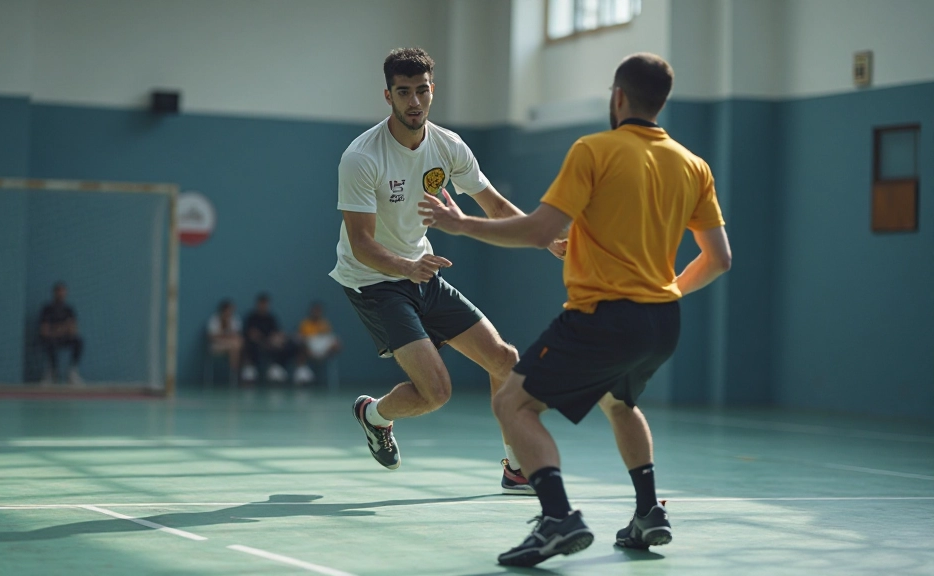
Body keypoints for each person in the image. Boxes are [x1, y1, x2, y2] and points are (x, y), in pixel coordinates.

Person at [421, 53, 732, 566]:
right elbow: (718, 259)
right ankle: (649, 511)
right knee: (620, 402)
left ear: (617, 98)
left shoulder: (595, 150)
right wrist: (667, 289)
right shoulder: (693, 164)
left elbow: (540, 231)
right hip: (664, 320)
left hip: (604, 316)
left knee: (513, 404)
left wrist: (461, 226)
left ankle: (559, 519)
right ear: (662, 101)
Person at [331, 47, 565, 493]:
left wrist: (544, 237)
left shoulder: (448, 145)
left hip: (421, 270)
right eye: (404, 92)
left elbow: (493, 204)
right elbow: (361, 244)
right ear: (388, 96)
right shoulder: (361, 157)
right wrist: (407, 266)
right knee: (436, 392)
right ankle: (374, 415)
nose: (414, 101)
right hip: (374, 280)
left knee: (505, 359)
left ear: (432, 91)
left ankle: (516, 468)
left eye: (422, 91)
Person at [243, 293, 313, 385]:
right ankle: (250, 369)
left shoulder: (271, 318)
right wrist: (264, 339)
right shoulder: (251, 318)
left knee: (291, 344)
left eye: (266, 304)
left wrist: (277, 338)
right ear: (258, 304)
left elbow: (277, 333)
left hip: (272, 344)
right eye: (262, 304)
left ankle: (278, 367)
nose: (264, 306)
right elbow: (251, 335)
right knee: (250, 346)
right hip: (257, 345)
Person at [39, 282, 84, 385]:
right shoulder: (47, 309)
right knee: (49, 343)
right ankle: (52, 372)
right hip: (51, 339)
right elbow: (44, 331)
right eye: (59, 292)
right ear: (54, 293)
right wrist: (63, 328)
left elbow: (73, 330)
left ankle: (72, 372)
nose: (61, 294)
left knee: (78, 341)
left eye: (63, 292)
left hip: (65, 338)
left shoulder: (69, 310)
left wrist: (56, 329)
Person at [207, 299, 244, 379]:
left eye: (231, 311)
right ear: (223, 311)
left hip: (231, 346)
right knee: (236, 345)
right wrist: (226, 338)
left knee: (236, 345)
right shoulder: (214, 320)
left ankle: (235, 372)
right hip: (216, 347)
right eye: (228, 311)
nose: (229, 313)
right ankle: (236, 374)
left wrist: (229, 327)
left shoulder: (234, 320)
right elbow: (212, 338)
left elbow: (236, 335)